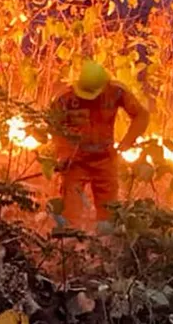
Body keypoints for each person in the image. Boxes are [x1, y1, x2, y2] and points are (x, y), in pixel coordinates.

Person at [49, 60, 149, 229]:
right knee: (70, 212)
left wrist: (127, 141)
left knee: (108, 213)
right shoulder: (65, 98)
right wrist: (63, 153)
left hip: (105, 160)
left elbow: (141, 115)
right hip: (75, 161)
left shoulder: (116, 92)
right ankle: (68, 244)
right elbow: (53, 126)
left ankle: (104, 247)